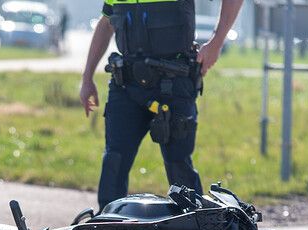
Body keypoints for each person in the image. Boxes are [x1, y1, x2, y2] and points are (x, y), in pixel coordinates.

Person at [80, 0, 244, 210]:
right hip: (126, 86)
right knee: (113, 161)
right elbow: (106, 23)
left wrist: (216, 42)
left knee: (179, 167)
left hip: (174, 86)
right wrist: (87, 79)